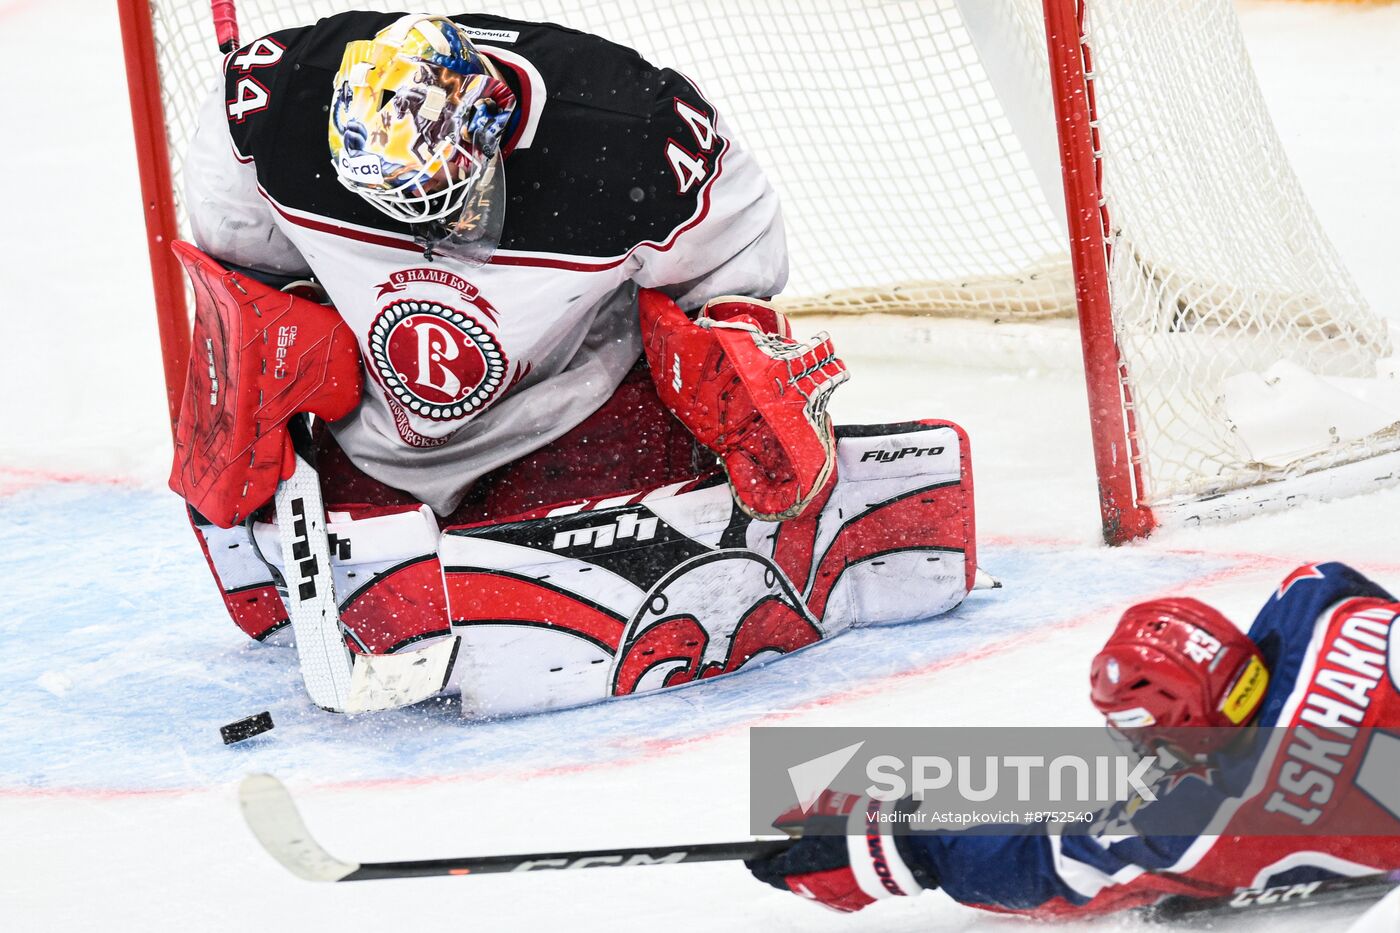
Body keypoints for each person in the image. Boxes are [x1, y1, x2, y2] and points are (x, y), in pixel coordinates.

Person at [168, 11, 978, 716]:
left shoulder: (625, 132)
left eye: (443, 198)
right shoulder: (272, 111)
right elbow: (246, 274)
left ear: (492, 127)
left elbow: (735, 267)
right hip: (374, 441)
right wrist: (267, 342)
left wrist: (733, 345)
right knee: (357, 594)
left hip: (571, 419)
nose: (429, 230)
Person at [749, 561, 1400, 915]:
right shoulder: (1323, 599)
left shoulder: (1226, 814)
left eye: (1149, 740)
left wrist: (905, 848)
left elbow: (1059, 857)